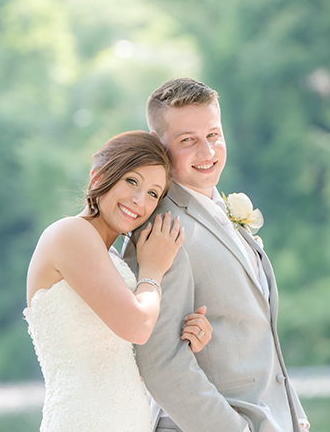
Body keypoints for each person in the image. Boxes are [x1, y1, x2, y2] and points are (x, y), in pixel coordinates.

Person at [123, 78, 310, 432]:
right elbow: (161, 362)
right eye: (188, 141)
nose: (207, 152)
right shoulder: (162, 228)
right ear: (159, 147)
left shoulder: (217, 208)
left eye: (213, 135)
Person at [23, 131, 213, 432]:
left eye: (153, 193)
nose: (139, 200)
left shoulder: (108, 255)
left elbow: (118, 360)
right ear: (99, 176)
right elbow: (137, 327)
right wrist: (153, 269)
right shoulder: (71, 233)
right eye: (132, 181)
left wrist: (184, 338)